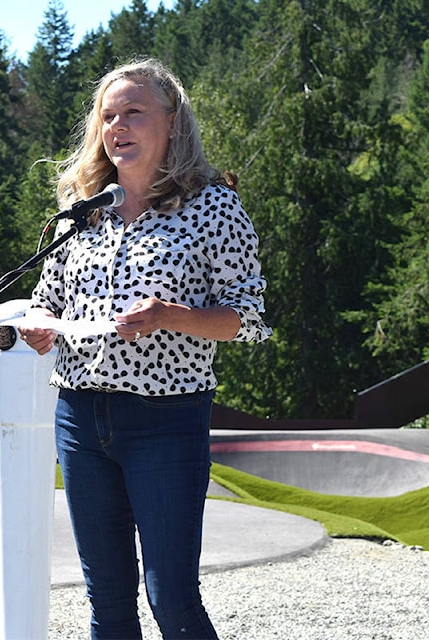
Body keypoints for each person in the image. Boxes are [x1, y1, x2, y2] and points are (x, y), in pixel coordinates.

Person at [18, 57, 271, 639]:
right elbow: (45, 300)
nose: (118, 126)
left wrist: (172, 317)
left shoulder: (213, 207)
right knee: (106, 603)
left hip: (167, 420)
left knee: (172, 600)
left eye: (134, 112)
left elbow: (248, 320)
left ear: (173, 122)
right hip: (79, 417)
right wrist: (40, 327)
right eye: (109, 116)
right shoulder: (79, 214)